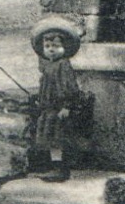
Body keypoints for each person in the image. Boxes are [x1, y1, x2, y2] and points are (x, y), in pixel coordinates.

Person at [30, 16, 85, 183]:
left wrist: (67, 106)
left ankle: (60, 169)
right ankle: (51, 166)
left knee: (57, 139)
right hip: (48, 110)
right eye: (47, 47)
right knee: (48, 137)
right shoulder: (48, 66)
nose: (51, 50)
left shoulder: (63, 65)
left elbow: (70, 88)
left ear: (65, 47)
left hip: (58, 109)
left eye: (56, 46)